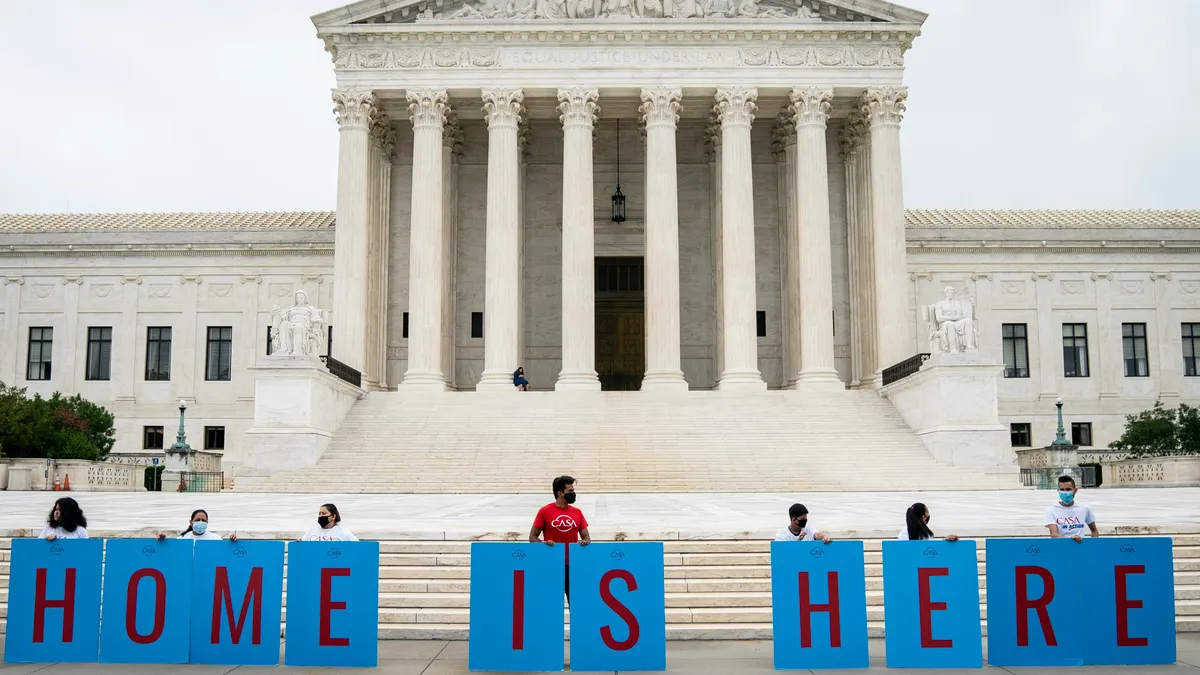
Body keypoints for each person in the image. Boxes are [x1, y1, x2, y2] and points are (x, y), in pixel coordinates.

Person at [530, 475, 591, 604]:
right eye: (570, 491)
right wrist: (543, 544)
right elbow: (532, 537)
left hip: (573, 564)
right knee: (551, 603)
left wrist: (585, 542)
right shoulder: (545, 511)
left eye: (573, 491)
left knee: (575, 602)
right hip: (552, 564)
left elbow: (586, 536)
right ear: (560, 493)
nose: (573, 494)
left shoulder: (577, 512)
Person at [1045, 475, 1099, 542]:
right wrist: (1071, 541)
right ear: (1058, 491)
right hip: (1061, 547)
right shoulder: (1052, 510)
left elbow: (1094, 530)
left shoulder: (1084, 508)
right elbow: (1054, 534)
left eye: (1068, 489)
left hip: (1080, 547)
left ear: (1075, 490)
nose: (1065, 492)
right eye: (1062, 489)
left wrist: (1093, 545)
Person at [156, 509, 237, 541]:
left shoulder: (215, 538)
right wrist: (162, 541)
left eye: (203, 520)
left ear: (207, 523)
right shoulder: (182, 539)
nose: (200, 522)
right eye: (197, 520)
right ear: (191, 522)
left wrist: (232, 541)